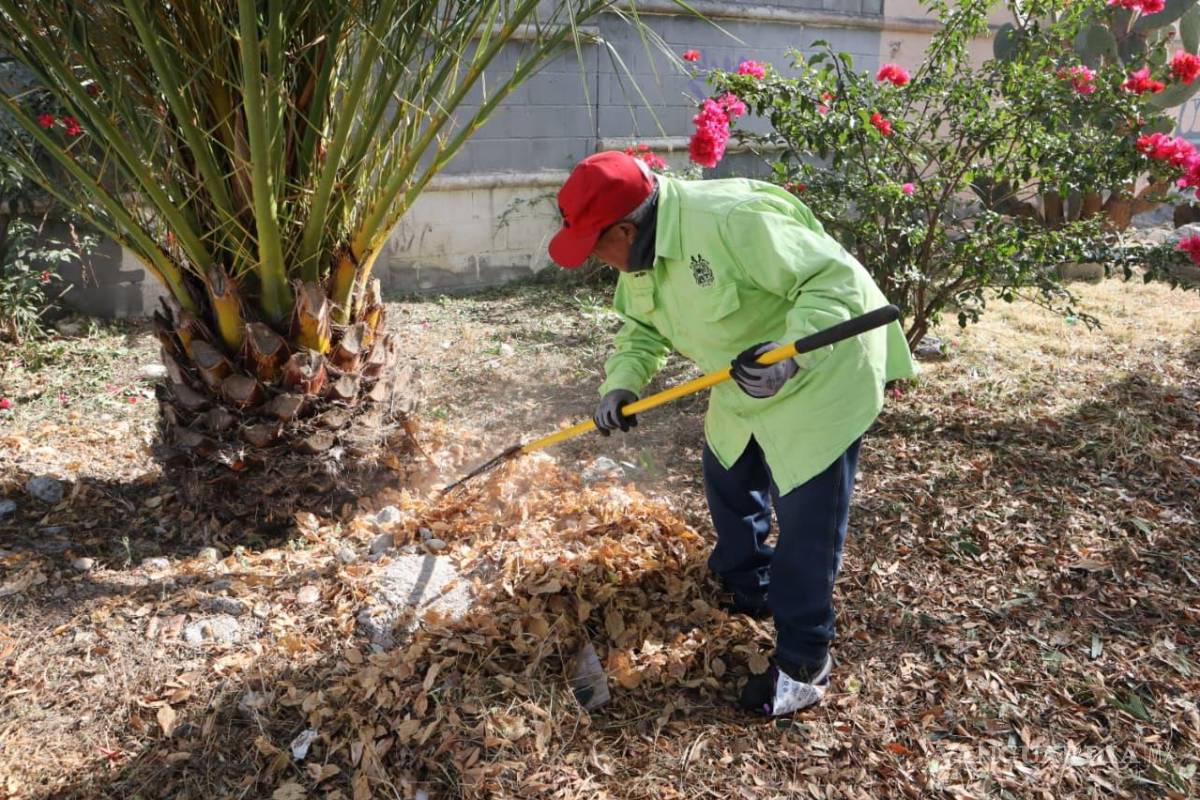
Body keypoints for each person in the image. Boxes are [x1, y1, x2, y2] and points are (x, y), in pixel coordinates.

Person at [546, 150, 916, 716]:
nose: (594, 259)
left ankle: (804, 663)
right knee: (728, 480)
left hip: (819, 372)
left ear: (625, 230)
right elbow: (641, 327)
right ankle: (748, 585)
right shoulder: (640, 255)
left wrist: (790, 356)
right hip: (742, 382)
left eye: (595, 246)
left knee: (807, 530)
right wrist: (620, 384)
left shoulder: (732, 221)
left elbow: (834, 279)